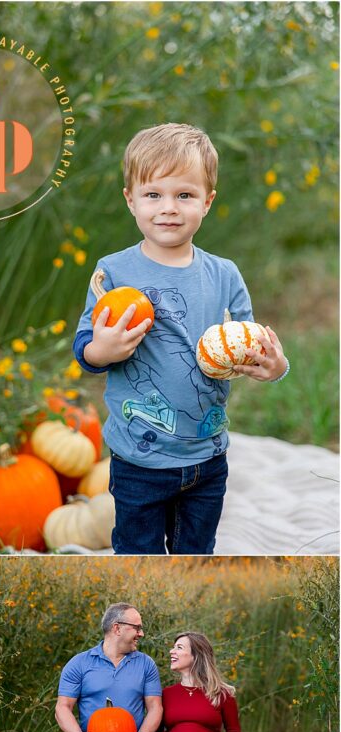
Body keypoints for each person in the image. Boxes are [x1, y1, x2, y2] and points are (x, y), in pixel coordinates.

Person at [73, 123, 289, 554]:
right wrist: (103, 350)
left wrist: (274, 366)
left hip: (208, 456)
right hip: (140, 459)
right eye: (154, 194)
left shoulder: (223, 274)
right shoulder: (113, 272)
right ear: (130, 199)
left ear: (207, 202)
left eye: (184, 195)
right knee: (138, 553)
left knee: (196, 553)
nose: (168, 208)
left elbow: (248, 340)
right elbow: (86, 347)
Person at [55, 602, 163, 732]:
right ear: (117, 628)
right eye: (137, 628)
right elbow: (62, 708)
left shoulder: (146, 664)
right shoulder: (79, 664)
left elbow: (155, 707)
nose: (142, 634)